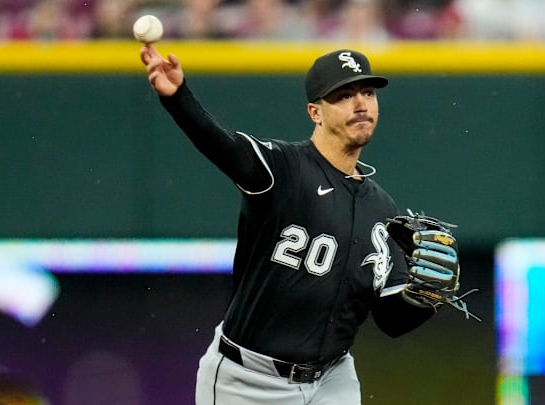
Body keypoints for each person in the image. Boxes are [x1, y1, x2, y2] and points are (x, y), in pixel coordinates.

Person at [140, 46, 451, 404]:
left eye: (367, 92)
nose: (361, 103)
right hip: (247, 379)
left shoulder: (381, 207)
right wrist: (179, 97)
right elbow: (221, 145)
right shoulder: (283, 169)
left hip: (332, 379)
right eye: (344, 95)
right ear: (315, 112)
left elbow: (391, 320)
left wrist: (425, 299)